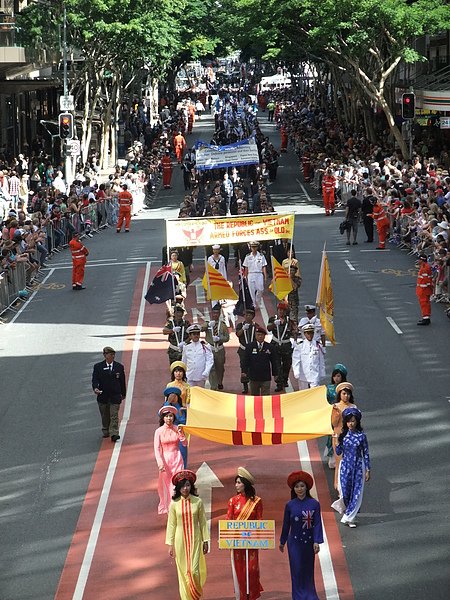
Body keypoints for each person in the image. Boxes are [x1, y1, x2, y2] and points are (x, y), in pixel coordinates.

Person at [279, 471, 323, 600]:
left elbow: (317, 524)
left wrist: (316, 541)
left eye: (302, 486)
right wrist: (282, 541)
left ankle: (310, 595)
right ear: (293, 489)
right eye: (297, 486)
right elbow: (286, 524)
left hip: (309, 543)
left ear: (307, 487)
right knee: (297, 570)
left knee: (308, 570)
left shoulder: (314, 504)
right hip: (294, 544)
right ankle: (298, 596)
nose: (300, 489)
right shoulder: (290, 505)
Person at [166, 469, 209, 599]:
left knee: (194, 571)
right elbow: (171, 524)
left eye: (188, 485)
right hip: (180, 542)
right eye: (183, 486)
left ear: (192, 486)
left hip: (195, 540)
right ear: (178, 488)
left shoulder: (198, 502)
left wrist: (205, 540)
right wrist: (170, 544)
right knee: (183, 572)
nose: (185, 488)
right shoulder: (174, 504)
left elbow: (202, 522)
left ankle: (195, 595)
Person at [226, 467, 263, 600]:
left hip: (251, 541)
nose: (236, 485)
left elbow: (259, 521)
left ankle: (252, 595)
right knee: (240, 570)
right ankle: (241, 595)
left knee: (251, 570)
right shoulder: (232, 501)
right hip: (237, 541)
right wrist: (226, 538)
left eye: (239, 482)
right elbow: (228, 521)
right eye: (236, 482)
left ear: (245, 484)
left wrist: (261, 538)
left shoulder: (257, 501)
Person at [331, 407, 371, 528]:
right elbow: (338, 452)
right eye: (349, 421)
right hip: (345, 467)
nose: (351, 424)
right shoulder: (344, 436)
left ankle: (350, 517)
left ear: (357, 421)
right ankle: (348, 512)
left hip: (358, 467)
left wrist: (368, 469)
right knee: (346, 492)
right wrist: (337, 442)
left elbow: (366, 453)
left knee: (357, 492)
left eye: (353, 421)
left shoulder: (362, 436)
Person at [154, 405, 187, 514]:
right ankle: (170, 509)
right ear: (163, 418)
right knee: (169, 485)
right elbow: (157, 449)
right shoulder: (158, 431)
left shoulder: (177, 428)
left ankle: (179, 506)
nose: (169, 418)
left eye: (171, 416)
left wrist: (181, 434)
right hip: (165, 461)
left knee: (178, 483)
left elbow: (185, 444)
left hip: (177, 458)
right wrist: (160, 463)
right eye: (167, 416)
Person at [92, 347, 126, 442]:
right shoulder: (98, 367)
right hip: (103, 396)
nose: (109, 356)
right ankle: (106, 429)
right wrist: (95, 388)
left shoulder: (119, 367)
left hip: (115, 396)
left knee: (114, 415)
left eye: (111, 354)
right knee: (105, 415)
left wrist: (123, 393)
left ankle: (114, 433)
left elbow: (122, 381)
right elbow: (95, 380)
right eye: (107, 354)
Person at [331, 382, 357, 490]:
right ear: (340, 394)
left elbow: (357, 423)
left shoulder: (354, 407)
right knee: (340, 462)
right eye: (344, 393)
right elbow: (333, 424)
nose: (346, 396)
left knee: (350, 462)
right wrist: (337, 413)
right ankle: (338, 486)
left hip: (350, 438)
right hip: (338, 437)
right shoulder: (336, 407)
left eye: (348, 394)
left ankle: (348, 485)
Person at [242, 325, 278, 395]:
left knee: (266, 397)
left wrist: (275, 374)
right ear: (255, 336)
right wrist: (244, 371)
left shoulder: (270, 347)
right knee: (255, 397)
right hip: (253, 377)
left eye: (262, 335)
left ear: (264, 336)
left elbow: (274, 361)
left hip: (266, 377)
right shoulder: (250, 346)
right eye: (258, 335)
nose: (260, 336)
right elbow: (246, 360)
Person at [267, 301, 294, 392]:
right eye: (279, 310)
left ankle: (285, 379)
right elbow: (268, 328)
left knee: (287, 364)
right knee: (276, 364)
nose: (281, 312)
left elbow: (294, 331)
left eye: (283, 310)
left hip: (286, 344)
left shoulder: (289, 321)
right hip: (275, 344)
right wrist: (275, 324)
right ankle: (279, 383)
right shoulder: (273, 319)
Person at [325, 364, 348, 468]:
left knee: (343, 435)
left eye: (339, 376)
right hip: (333, 415)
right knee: (332, 435)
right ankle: (332, 457)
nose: (337, 378)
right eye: (335, 376)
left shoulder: (345, 388)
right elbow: (325, 402)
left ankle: (343, 457)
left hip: (344, 415)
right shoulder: (328, 388)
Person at [204, 303, 230, 390]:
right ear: (211, 314)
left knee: (220, 368)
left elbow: (227, 337)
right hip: (210, 348)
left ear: (219, 314)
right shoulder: (207, 323)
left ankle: (219, 382)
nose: (215, 315)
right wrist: (208, 325)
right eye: (213, 313)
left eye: (217, 313)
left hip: (219, 349)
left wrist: (220, 338)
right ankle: (213, 386)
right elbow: (201, 328)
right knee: (212, 369)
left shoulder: (222, 325)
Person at [292, 323, 326, 390]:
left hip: (315, 374)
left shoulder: (318, 345)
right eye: (308, 333)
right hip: (303, 374)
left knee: (314, 393)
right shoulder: (300, 346)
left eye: (311, 333)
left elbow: (321, 361)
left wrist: (322, 372)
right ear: (304, 334)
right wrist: (296, 371)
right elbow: (296, 360)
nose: (310, 335)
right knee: (303, 394)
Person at [236, 307, 260, 394]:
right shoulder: (240, 325)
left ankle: (254, 384)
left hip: (253, 349)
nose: (248, 316)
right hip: (243, 349)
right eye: (246, 315)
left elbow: (259, 336)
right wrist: (243, 329)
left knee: (254, 366)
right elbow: (238, 334)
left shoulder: (256, 325)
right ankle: (245, 386)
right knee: (243, 367)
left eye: (250, 315)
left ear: (252, 316)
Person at [243, 241, 267, 308]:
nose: (254, 248)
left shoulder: (261, 256)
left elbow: (263, 266)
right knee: (251, 290)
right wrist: (245, 276)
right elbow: (246, 267)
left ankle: (258, 300)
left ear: (257, 247)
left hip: (259, 274)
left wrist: (265, 276)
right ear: (250, 248)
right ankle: (253, 303)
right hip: (251, 274)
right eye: (252, 247)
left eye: (255, 247)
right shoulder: (248, 256)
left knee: (261, 289)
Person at [416, 253, 433, 325]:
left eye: (419, 259)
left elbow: (427, 280)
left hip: (423, 290)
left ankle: (426, 318)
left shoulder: (424, 268)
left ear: (422, 260)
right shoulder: (425, 266)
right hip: (424, 289)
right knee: (426, 303)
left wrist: (428, 287)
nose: (418, 260)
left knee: (424, 304)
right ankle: (426, 317)